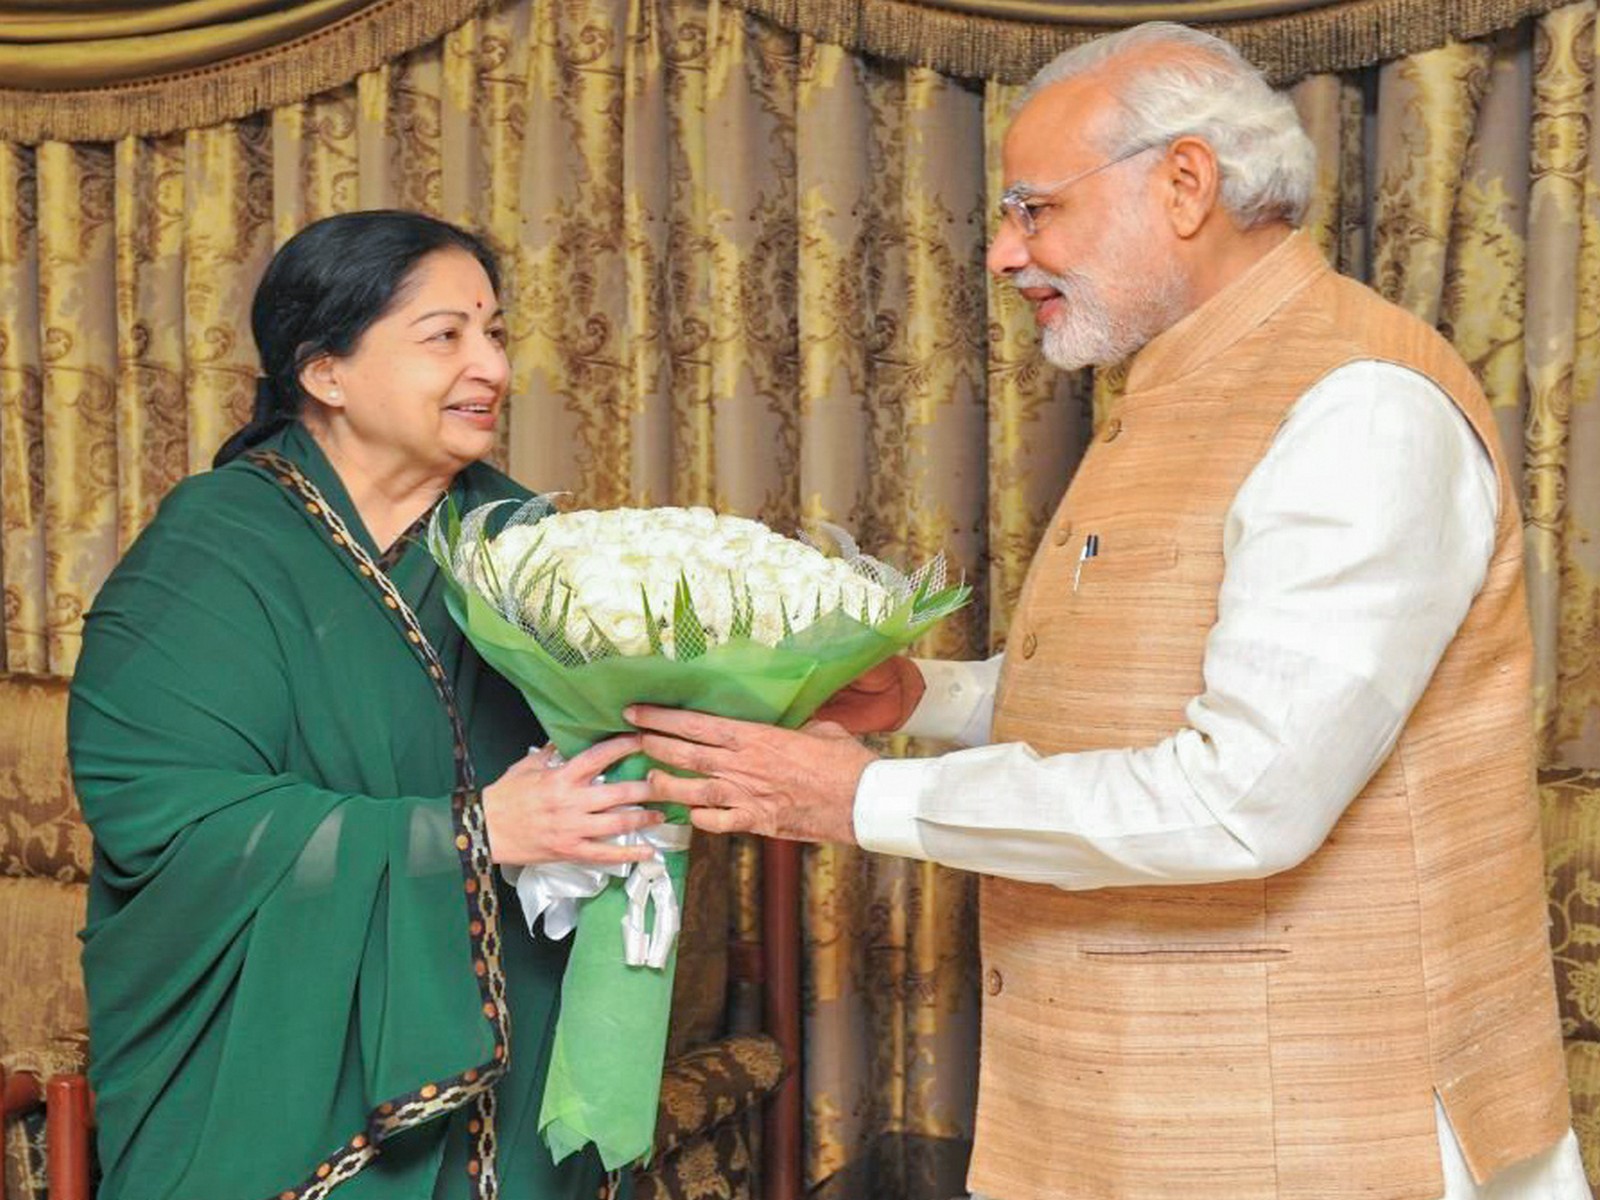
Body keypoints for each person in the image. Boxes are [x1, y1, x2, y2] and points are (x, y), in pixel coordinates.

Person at [625, 22, 1589, 1200]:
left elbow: (1243, 802)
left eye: (1035, 209)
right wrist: (925, 697)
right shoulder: (1172, 383)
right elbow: (1149, 683)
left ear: (1185, 184)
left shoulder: (1358, 405)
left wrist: (860, 796)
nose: (1000, 253)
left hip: (1318, 1122)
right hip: (1122, 1110)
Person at [69, 210, 662, 1200]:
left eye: (496, 332)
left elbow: (612, 744)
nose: (491, 367)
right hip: (267, 1052)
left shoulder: (527, 550)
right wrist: (469, 833)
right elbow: (163, 821)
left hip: (509, 1038)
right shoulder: (213, 552)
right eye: (446, 336)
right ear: (324, 372)